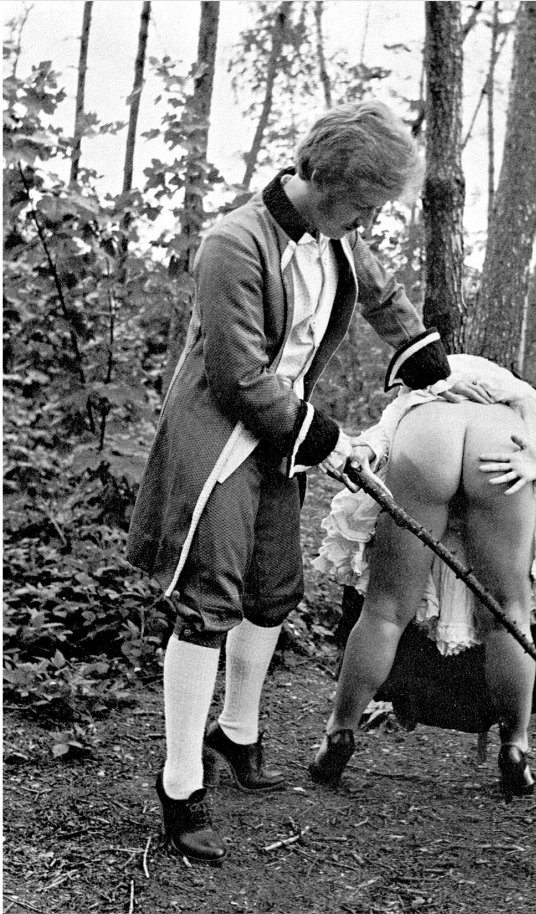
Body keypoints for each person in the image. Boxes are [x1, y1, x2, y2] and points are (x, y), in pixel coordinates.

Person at [125, 101, 452, 865]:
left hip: (281, 433)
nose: (369, 220)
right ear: (321, 180)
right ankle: (180, 783)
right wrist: (331, 441)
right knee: (208, 602)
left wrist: (417, 348)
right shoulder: (232, 243)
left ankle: (237, 732)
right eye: (365, 204)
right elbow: (238, 377)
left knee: (272, 588)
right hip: (218, 435)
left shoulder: (338, 230)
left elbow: (378, 291)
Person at [308, 354, 536, 800]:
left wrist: (364, 453)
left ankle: (339, 732)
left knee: (385, 612)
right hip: (502, 443)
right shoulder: (517, 397)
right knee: (508, 615)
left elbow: (380, 437)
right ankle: (515, 746)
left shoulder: (422, 389)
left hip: (426, 433)